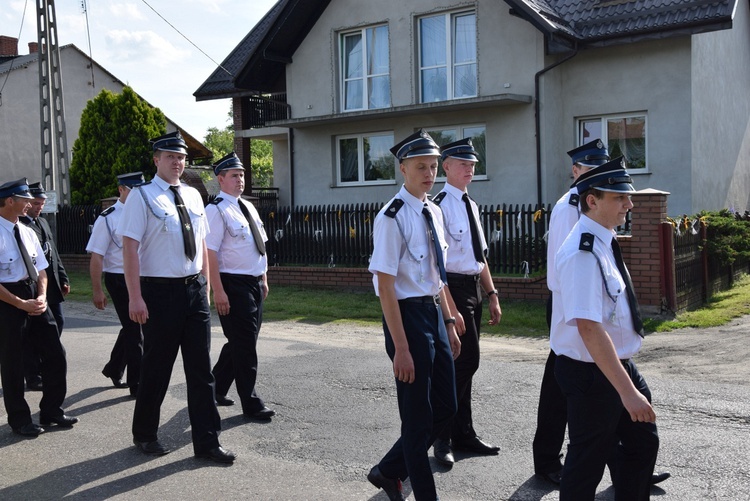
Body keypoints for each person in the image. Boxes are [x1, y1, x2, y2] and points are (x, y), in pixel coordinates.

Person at [117, 131, 234, 464]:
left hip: (194, 289)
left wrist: (208, 287)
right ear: (156, 160)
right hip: (159, 291)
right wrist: (134, 297)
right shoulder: (141, 197)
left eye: (181, 157)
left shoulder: (195, 196)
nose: (178, 162)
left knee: (201, 370)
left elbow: (202, 247)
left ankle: (208, 443)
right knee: (157, 366)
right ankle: (145, 434)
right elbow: (130, 249)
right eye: (170, 157)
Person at [551, 157, 660, 500]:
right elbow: (588, 327)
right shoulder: (583, 251)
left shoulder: (604, 240)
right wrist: (627, 393)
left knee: (642, 443)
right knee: (587, 465)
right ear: (592, 201)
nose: (629, 203)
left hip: (614, 364)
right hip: (591, 373)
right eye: (619, 197)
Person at [366, 129, 461, 501]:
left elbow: (436, 276)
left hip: (433, 315)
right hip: (405, 318)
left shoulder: (433, 211)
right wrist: (401, 348)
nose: (429, 173)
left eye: (434, 166)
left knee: (447, 407)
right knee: (417, 418)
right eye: (421, 166)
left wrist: (449, 322)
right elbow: (386, 287)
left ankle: (388, 470)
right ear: (402, 168)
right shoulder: (391, 217)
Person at [533, 139, 610, 484]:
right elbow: (566, 267)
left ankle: (630, 460)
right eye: (589, 169)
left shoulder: (603, 202)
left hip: (590, 303)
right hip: (570, 305)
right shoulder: (571, 207)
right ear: (575, 171)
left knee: (604, 380)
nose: (596, 175)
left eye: (600, 168)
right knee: (563, 384)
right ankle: (548, 459)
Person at [430, 138, 502, 467]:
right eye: (463, 164)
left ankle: (464, 434)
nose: (470, 169)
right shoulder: (440, 204)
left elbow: (480, 256)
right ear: (446, 166)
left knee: (466, 365)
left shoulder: (471, 205)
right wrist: (450, 309)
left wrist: (492, 294)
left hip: (472, 287)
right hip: (452, 291)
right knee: (462, 363)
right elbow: (436, 264)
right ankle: (440, 437)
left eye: (473, 164)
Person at [0, 178, 77, 437]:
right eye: (25, 200)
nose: (30, 204)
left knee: (56, 354)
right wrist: (20, 303)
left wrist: (42, 296)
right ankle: (20, 420)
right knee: (13, 363)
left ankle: (52, 409)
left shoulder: (27, 231)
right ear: (10, 201)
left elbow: (41, 268)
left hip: (35, 294)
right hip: (8, 300)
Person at [205, 152, 275, 419]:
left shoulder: (247, 207)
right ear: (220, 179)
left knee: (241, 341)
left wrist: (264, 278)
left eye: (242, 174)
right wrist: (218, 290)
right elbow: (210, 253)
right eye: (234, 175)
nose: (240, 179)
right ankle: (251, 402)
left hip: (254, 283)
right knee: (245, 346)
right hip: (233, 285)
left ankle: (216, 386)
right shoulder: (216, 210)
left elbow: (261, 245)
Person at [86, 172, 145, 396]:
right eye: (132, 190)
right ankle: (136, 384)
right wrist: (97, 289)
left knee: (134, 327)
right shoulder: (108, 218)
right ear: (121, 190)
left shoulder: (145, 213)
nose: (136, 195)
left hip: (143, 277)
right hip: (119, 278)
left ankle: (114, 368)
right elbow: (97, 257)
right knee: (135, 330)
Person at [20, 181, 69, 391]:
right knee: (33, 334)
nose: (40, 207)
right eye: (37, 203)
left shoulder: (43, 223)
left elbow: (53, 253)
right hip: (34, 287)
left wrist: (63, 277)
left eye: (42, 203)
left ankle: (43, 361)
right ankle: (32, 374)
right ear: (28, 203)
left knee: (57, 322)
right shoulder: (21, 226)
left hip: (51, 285)